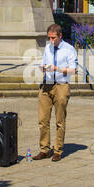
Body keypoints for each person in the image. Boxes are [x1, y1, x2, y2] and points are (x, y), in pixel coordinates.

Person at [33, 24, 77, 162]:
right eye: (49, 38)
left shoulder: (69, 49)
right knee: (43, 120)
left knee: (59, 120)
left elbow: (73, 70)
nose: (51, 40)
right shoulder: (48, 48)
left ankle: (58, 150)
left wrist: (57, 68)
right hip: (47, 84)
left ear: (60, 36)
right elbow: (44, 63)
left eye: (53, 38)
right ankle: (44, 149)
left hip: (61, 85)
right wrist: (43, 68)